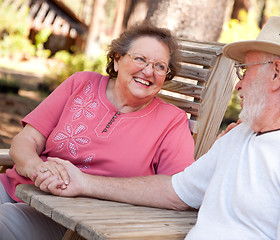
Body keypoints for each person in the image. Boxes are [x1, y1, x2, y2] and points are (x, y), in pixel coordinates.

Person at [26, 16, 280, 239]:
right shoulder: (243, 136)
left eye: (245, 70)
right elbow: (174, 191)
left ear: (275, 74)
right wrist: (84, 182)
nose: (239, 85)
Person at [0, 21, 195, 240]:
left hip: (73, 220)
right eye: (140, 59)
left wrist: (86, 184)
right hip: (17, 188)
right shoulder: (81, 83)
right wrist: (37, 169)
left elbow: (180, 192)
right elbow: (26, 140)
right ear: (117, 59)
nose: (149, 71)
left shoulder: (172, 121)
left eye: (160, 66)